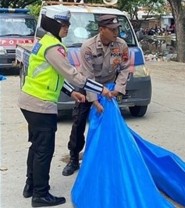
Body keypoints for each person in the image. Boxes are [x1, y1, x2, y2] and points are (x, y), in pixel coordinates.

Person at [18, 7, 112, 207]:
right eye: (64, 24)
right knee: (44, 149)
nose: (67, 28)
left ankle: (31, 185)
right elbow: (72, 74)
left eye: (68, 24)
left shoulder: (43, 43)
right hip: (40, 104)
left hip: (29, 100)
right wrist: (100, 88)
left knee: (36, 146)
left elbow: (54, 75)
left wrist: (71, 92)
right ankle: (40, 195)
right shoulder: (54, 47)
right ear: (53, 24)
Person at [62, 14, 131, 176]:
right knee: (79, 122)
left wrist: (118, 89)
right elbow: (88, 76)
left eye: (117, 29)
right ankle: (73, 159)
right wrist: (94, 101)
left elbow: (125, 68)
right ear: (102, 30)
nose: (116, 33)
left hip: (109, 88)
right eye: (112, 30)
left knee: (110, 122)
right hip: (87, 86)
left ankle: (107, 157)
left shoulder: (121, 45)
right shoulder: (88, 47)